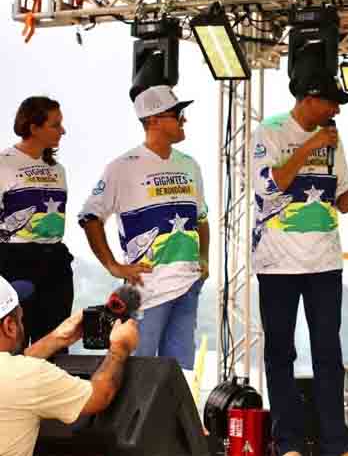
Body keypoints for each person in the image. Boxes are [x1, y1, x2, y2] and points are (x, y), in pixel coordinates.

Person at [251, 74, 348, 456]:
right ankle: (287, 443)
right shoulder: (270, 131)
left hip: (325, 261)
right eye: (331, 102)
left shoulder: (332, 138)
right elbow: (269, 186)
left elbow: (341, 200)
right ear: (310, 98)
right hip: (277, 263)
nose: (336, 110)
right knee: (280, 354)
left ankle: (337, 444)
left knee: (328, 353)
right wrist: (309, 146)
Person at [78, 85, 209, 373]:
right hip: (148, 291)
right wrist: (113, 266)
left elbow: (201, 218)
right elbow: (90, 217)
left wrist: (204, 259)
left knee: (178, 373)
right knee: (137, 373)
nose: (184, 119)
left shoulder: (190, 165)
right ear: (153, 120)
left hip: (188, 285)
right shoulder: (122, 167)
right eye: (177, 114)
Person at [0, 275, 139, 456]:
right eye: (20, 318)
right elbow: (98, 396)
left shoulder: (17, 374)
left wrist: (56, 339)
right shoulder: (27, 375)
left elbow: (11, 370)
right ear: (10, 326)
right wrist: (119, 350)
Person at [0, 97, 75, 349]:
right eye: (55, 125)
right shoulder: (4, 163)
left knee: (57, 342)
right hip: (14, 260)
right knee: (14, 342)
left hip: (55, 262)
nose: (62, 130)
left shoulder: (58, 170)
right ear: (33, 127)